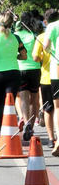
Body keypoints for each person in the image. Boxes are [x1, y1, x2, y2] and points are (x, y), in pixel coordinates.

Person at [0, 11, 26, 132]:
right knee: (10, 102)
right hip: (14, 73)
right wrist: (14, 57)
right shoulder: (16, 37)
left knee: (0, 103)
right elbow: (24, 56)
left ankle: (1, 131)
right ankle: (12, 129)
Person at [33, 9, 59, 149]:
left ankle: (51, 138)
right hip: (54, 76)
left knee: (49, 109)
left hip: (47, 77)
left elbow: (36, 57)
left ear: (46, 21)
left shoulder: (42, 37)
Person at [15, 12, 42, 143]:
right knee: (35, 99)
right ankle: (31, 125)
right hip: (35, 69)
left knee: (24, 99)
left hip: (21, 69)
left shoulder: (17, 35)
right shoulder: (34, 35)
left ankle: (26, 123)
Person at [41, 8, 59, 156]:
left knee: (57, 107)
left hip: (56, 70)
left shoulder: (52, 26)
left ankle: (57, 139)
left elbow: (45, 47)